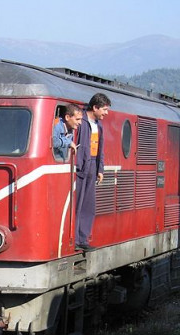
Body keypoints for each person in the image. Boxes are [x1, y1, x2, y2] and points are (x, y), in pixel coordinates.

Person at [74, 92, 111, 251]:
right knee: (78, 202)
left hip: (92, 165)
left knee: (88, 205)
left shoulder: (98, 125)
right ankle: (74, 238)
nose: (106, 113)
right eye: (104, 109)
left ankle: (83, 238)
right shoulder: (80, 121)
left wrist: (100, 169)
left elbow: (100, 149)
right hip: (81, 165)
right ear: (95, 107)